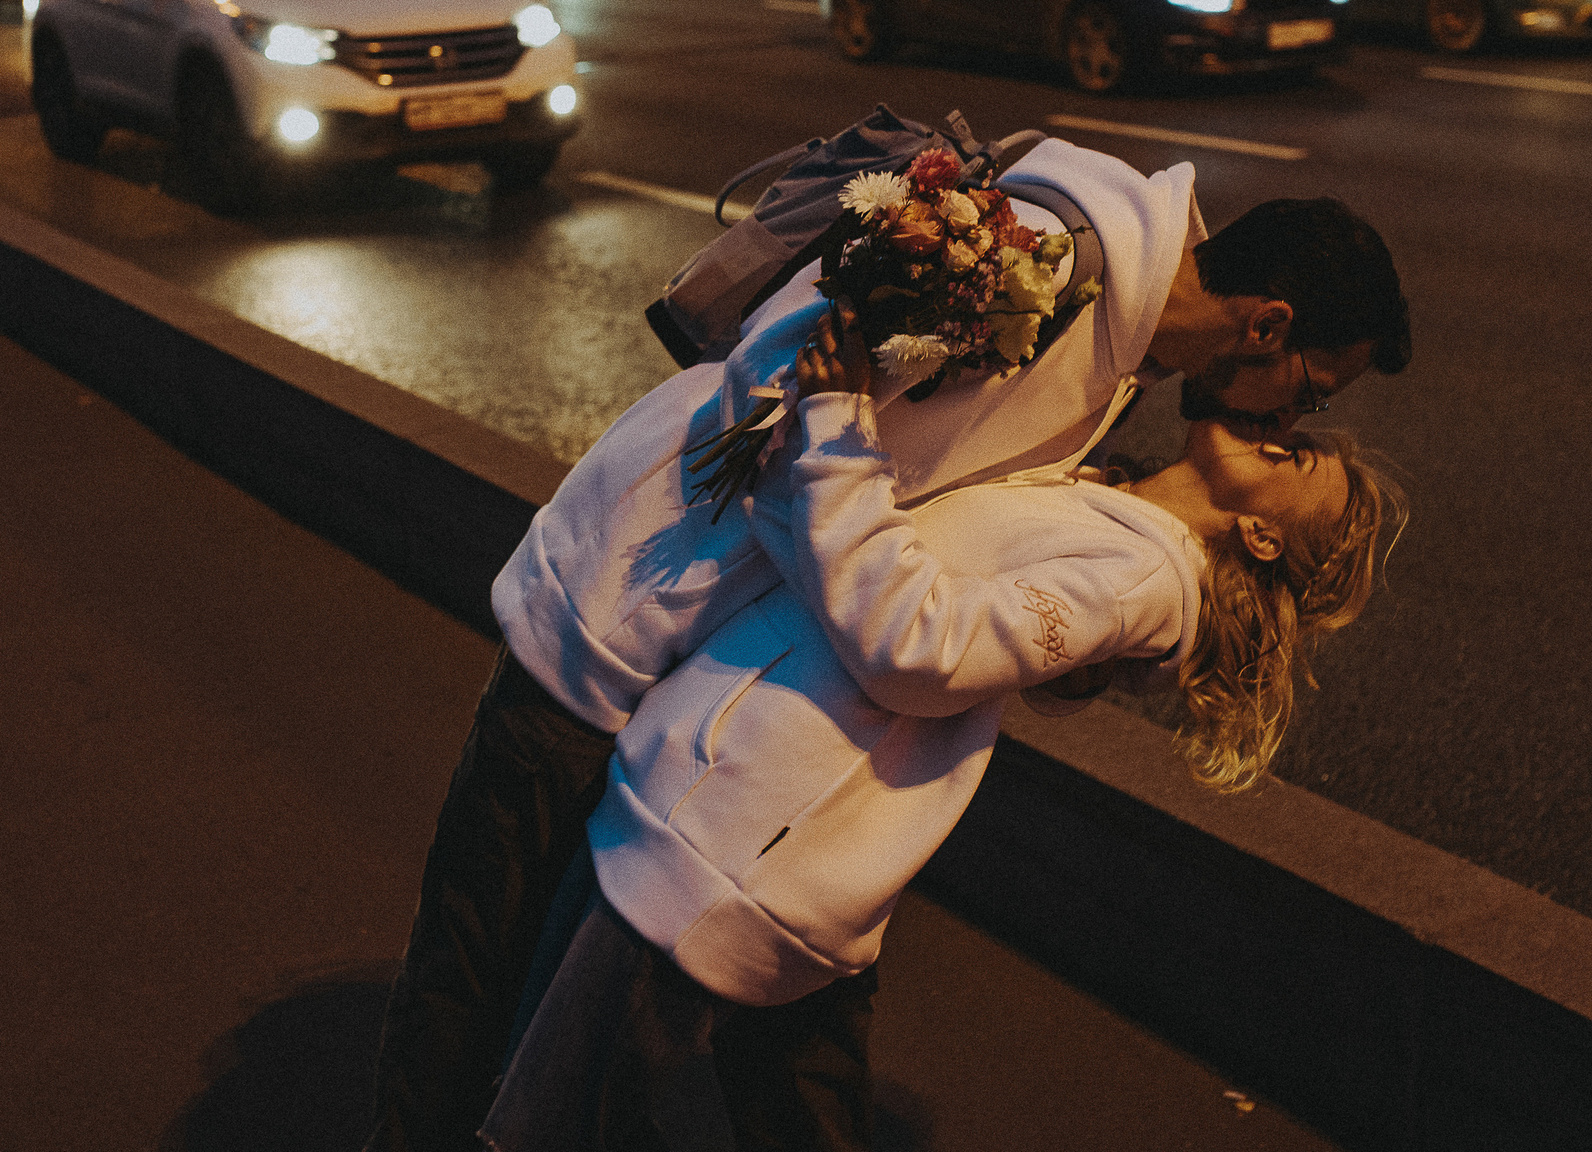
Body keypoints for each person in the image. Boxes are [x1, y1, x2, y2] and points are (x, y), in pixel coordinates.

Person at [362, 143, 1411, 1151]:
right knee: (476, 971)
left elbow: (963, 516)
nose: (1297, 420)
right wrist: (830, 436)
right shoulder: (1041, 261)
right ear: (1269, 327)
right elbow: (779, 379)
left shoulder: (1123, 354)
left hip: (737, 686)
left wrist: (1064, 645)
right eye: (1315, 392)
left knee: (619, 1033)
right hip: (624, 615)